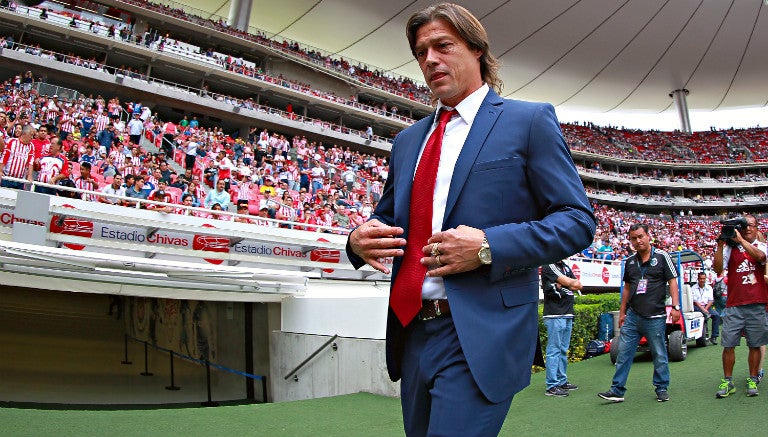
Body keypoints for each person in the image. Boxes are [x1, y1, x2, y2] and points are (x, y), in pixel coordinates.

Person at [345, 4, 595, 436]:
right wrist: (356, 240)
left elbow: (576, 221)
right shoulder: (407, 142)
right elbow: (385, 221)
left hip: (479, 333)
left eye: (443, 45)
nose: (430, 60)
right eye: (421, 51)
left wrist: (487, 247)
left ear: (477, 49)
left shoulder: (528, 120)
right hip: (413, 331)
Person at [598, 223, 680, 403]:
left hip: (655, 316)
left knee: (659, 354)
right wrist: (622, 313)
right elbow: (627, 288)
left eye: (641, 236)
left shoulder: (662, 256)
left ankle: (661, 387)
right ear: (630, 240)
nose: (638, 240)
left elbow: (672, 282)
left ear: (649, 236)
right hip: (633, 316)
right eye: (634, 238)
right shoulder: (629, 262)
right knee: (624, 354)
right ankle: (617, 390)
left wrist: (675, 307)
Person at [713, 214, 768, 398]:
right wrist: (721, 245)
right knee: (728, 344)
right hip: (734, 303)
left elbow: (760, 257)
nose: (747, 228)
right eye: (743, 226)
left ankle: (753, 378)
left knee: (755, 344)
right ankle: (728, 381)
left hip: (756, 302)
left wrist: (741, 241)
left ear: (757, 228)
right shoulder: (730, 247)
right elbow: (718, 268)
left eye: (751, 225)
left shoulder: (760, 245)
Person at [541, 259, 581, 397]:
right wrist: (568, 284)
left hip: (567, 313)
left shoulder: (565, 266)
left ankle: (562, 381)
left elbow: (578, 285)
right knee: (554, 350)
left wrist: (562, 285)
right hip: (554, 315)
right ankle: (552, 386)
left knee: (563, 350)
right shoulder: (549, 265)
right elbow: (571, 284)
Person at [690, 271, 720, 345]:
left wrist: (706, 309)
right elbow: (695, 301)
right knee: (701, 313)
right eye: (701, 278)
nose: (702, 280)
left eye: (704, 278)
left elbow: (711, 300)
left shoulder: (709, 287)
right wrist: (703, 309)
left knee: (716, 316)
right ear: (698, 279)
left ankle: (714, 337)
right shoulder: (693, 288)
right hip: (697, 307)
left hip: (706, 306)